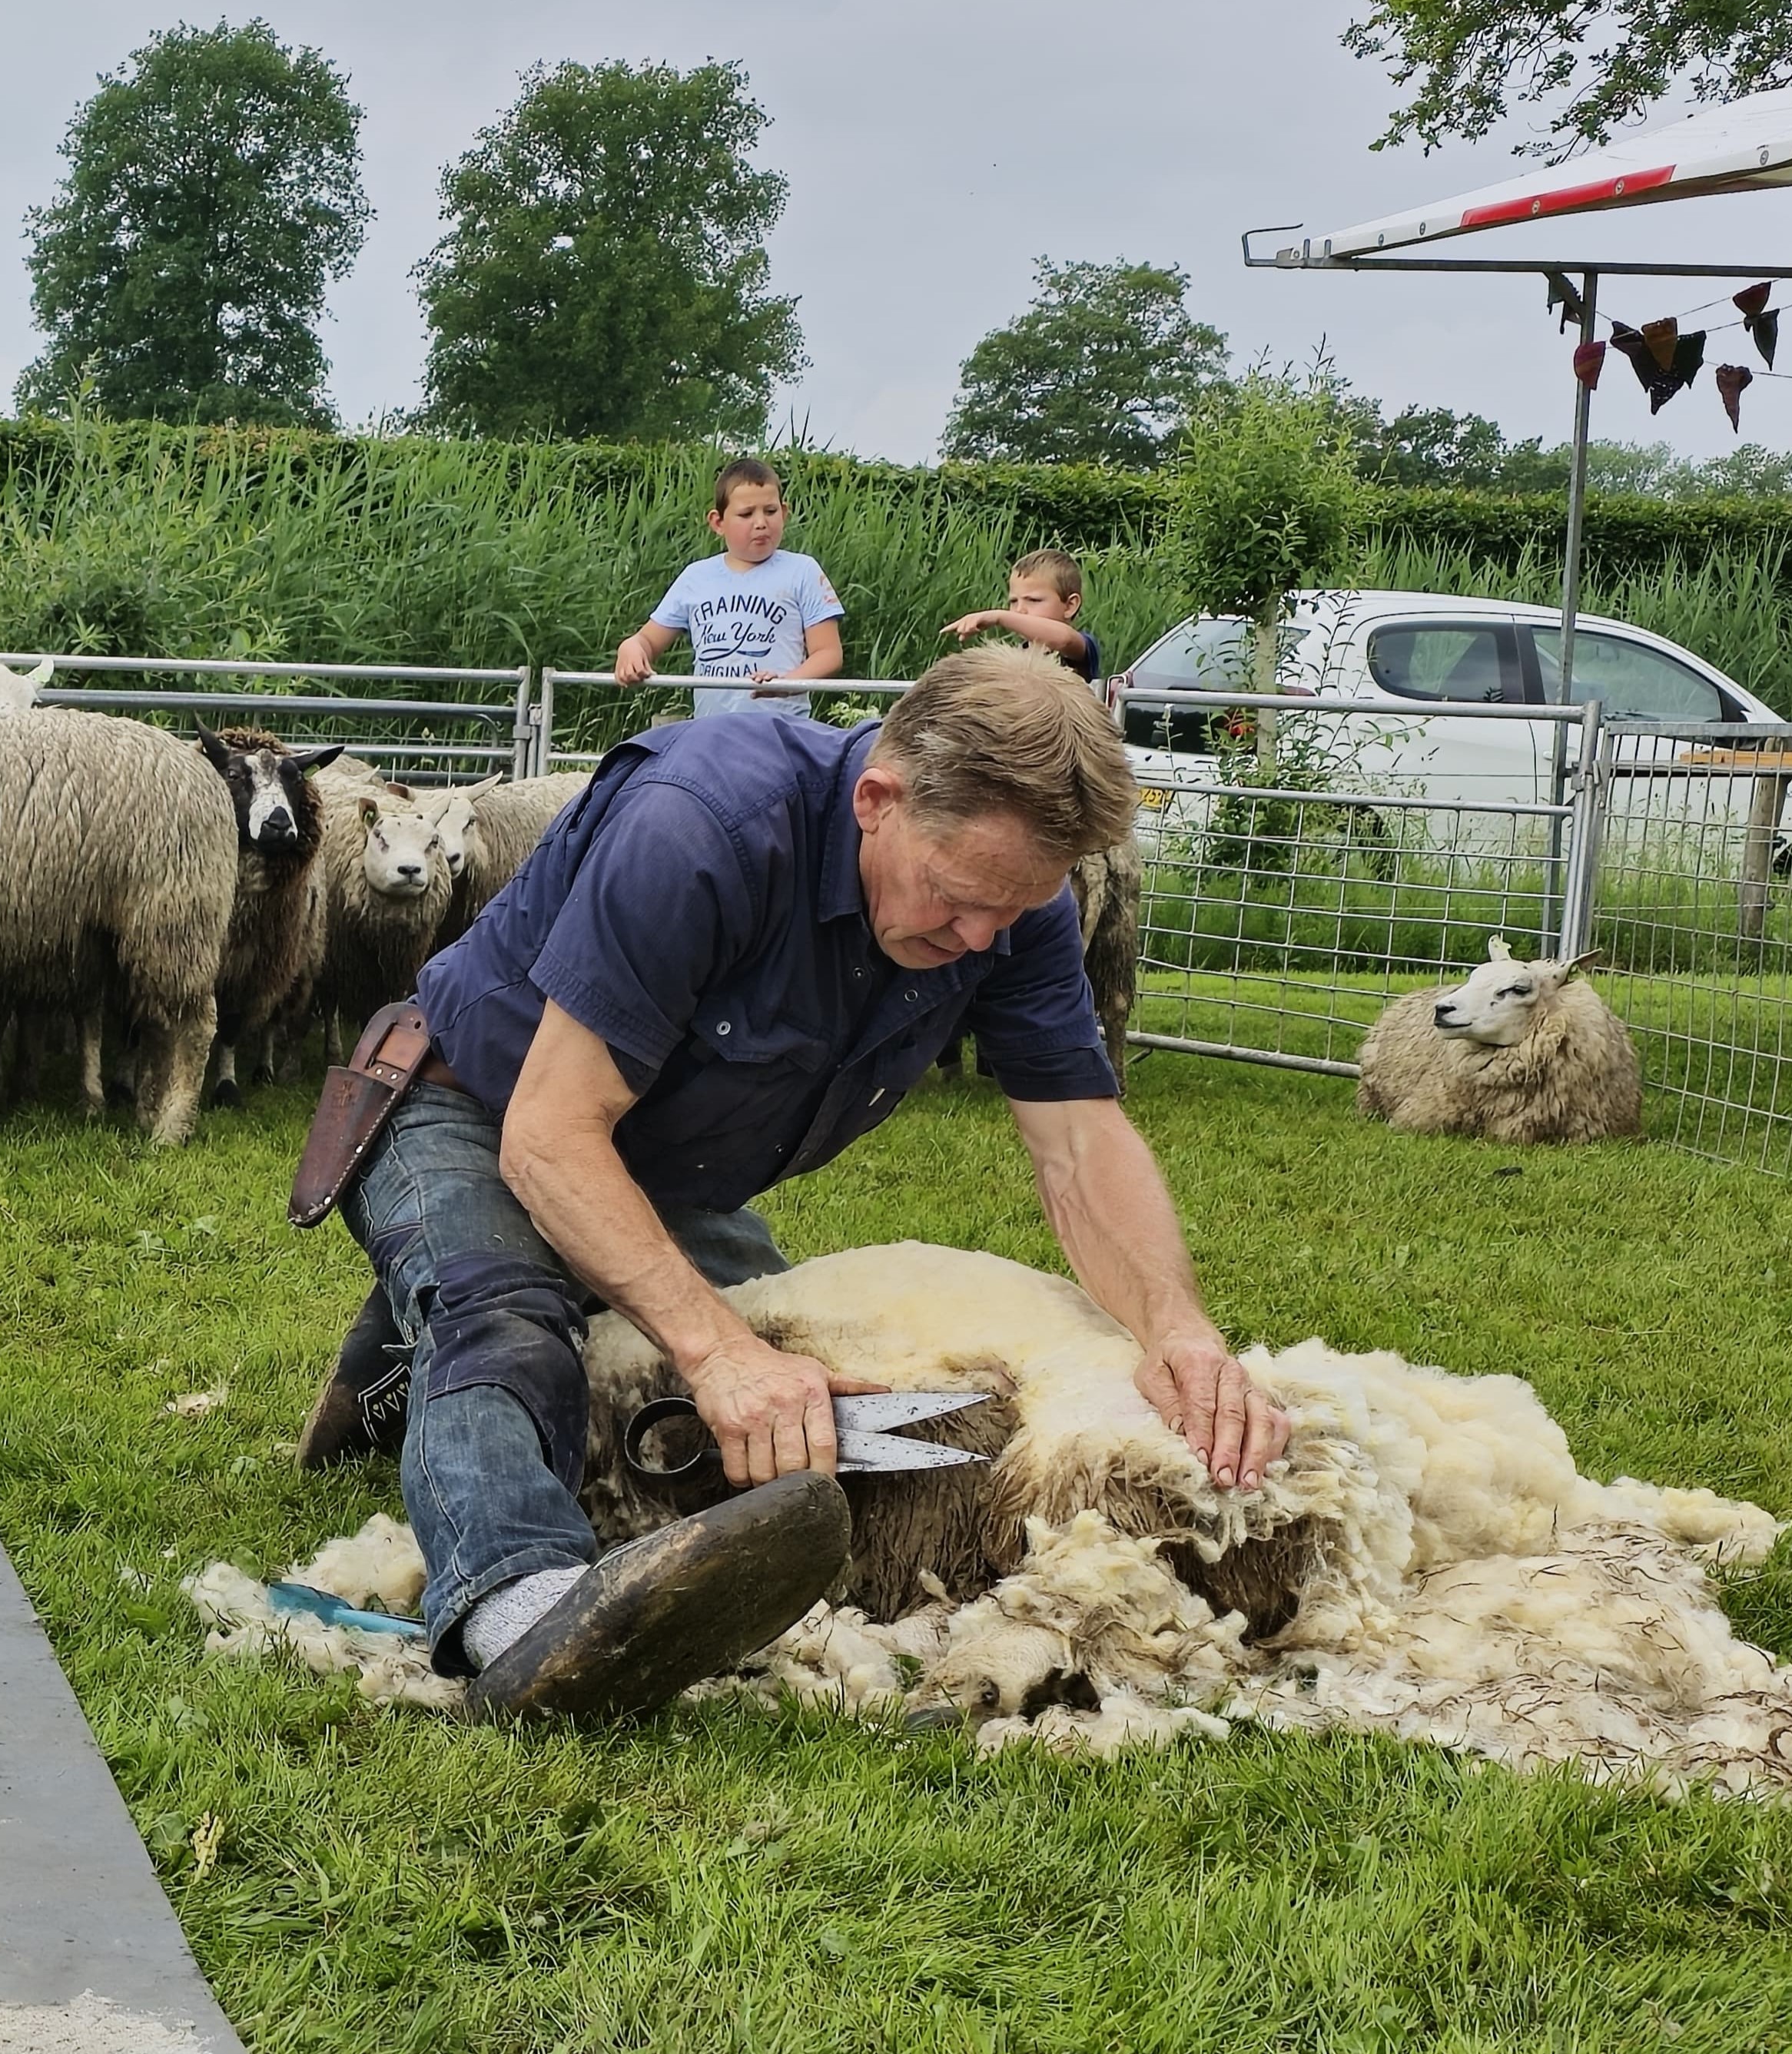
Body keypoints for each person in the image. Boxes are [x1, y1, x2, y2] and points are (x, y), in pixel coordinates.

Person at [337, 648, 1286, 1719]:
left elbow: (1079, 1139)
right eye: (959, 899)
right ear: (878, 798)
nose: (980, 940)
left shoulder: (1012, 906)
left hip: (661, 1172)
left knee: (802, 1372)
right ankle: (526, 1606)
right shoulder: (700, 827)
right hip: (478, 1104)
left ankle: (402, 1367)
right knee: (507, 1314)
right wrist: (718, 1348)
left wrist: (1177, 1325)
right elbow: (553, 1137)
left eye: (1008, 915)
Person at [609, 458, 843, 715]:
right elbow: (648, 641)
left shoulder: (803, 571)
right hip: (710, 733)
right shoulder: (695, 577)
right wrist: (630, 648)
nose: (761, 523)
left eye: (770, 511)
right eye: (746, 514)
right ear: (718, 522)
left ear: (784, 512)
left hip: (780, 730)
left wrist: (786, 683)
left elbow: (829, 653)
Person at [943, 546, 1100, 679]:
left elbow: (1064, 639)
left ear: (1070, 606)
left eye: (1033, 600)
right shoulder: (1016, 656)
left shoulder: (1080, 648)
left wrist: (1000, 616)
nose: (1019, 610)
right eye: (1013, 602)